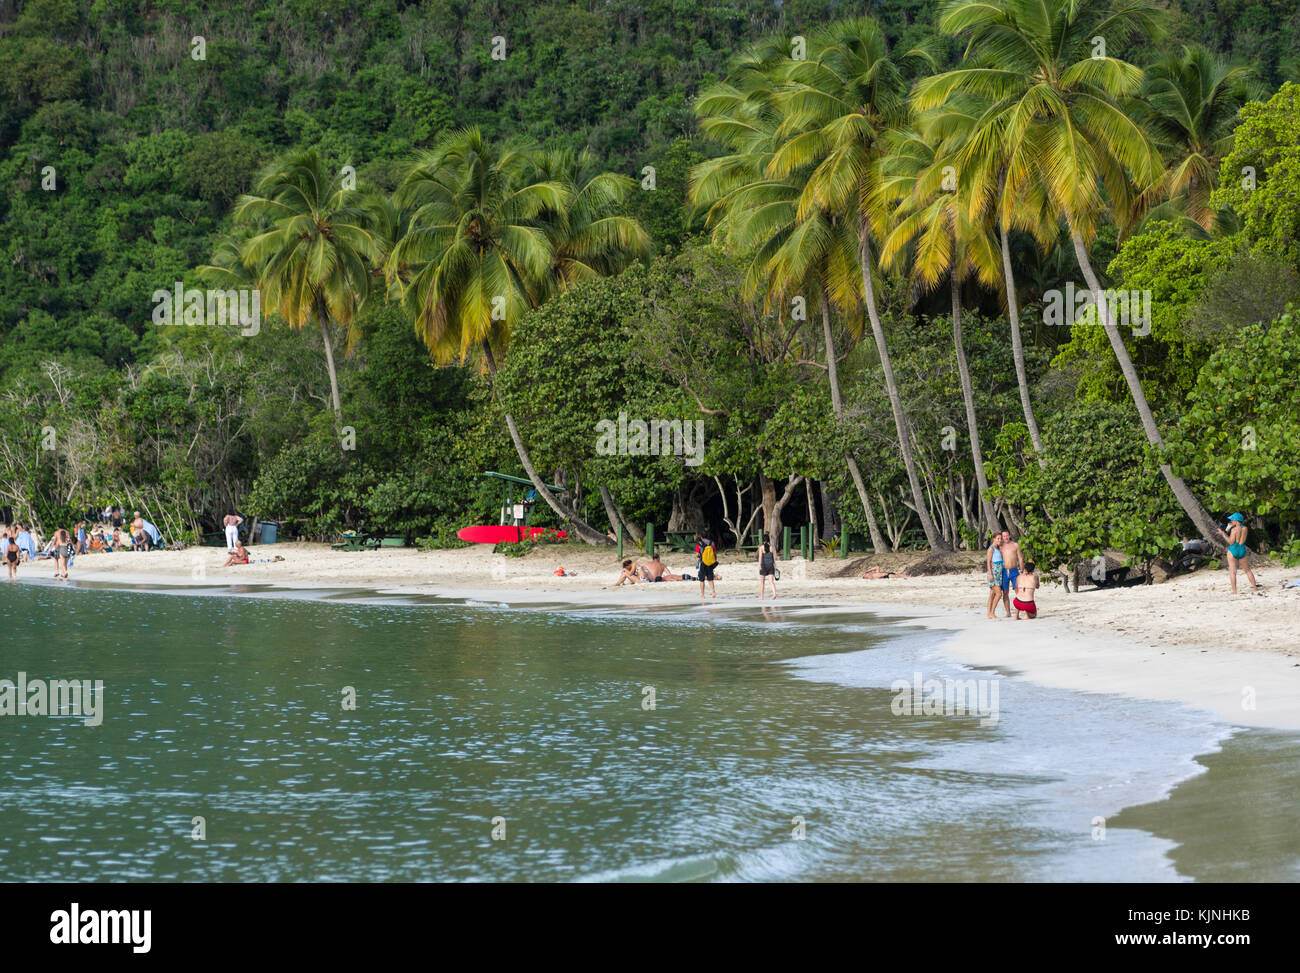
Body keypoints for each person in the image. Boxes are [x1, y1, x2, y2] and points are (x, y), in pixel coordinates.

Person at [1213, 513, 1260, 595]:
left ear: (1236, 520)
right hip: (1242, 549)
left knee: (1233, 572)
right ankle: (1255, 588)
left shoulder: (1234, 530)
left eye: (1232, 519)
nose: (1231, 521)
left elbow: (1231, 542)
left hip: (1233, 550)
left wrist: (1223, 533)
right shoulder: (1245, 528)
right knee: (1248, 570)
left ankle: (1234, 591)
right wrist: (1229, 527)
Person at [999, 529, 1023, 618]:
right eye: (1004, 536)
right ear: (1002, 537)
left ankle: (1019, 612)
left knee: (1018, 591)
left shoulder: (1015, 545)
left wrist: (1022, 569)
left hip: (1014, 571)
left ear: (1009, 535)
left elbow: (1020, 558)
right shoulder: (1000, 547)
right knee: (1005, 592)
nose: (1006, 537)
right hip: (1004, 571)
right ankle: (1008, 612)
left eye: (1007, 535)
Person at [985, 531, 1005, 619]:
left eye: (1000, 538)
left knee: (992, 594)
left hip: (999, 573)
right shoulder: (991, 549)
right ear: (994, 539)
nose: (1000, 540)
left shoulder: (998, 548)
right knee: (999, 594)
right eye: (998, 538)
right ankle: (992, 612)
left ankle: (989, 614)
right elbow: (988, 562)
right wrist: (991, 574)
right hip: (994, 573)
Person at [697, 534, 718, 598]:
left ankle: (702, 595)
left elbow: (697, 554)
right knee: (710, 578)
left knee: (701, 579)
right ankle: (713, 592)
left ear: (701, 537)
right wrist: (714, 560)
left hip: (702, 562)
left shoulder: (699, 543)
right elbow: (714, 553)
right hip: (710, 562)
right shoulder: (712, 543)